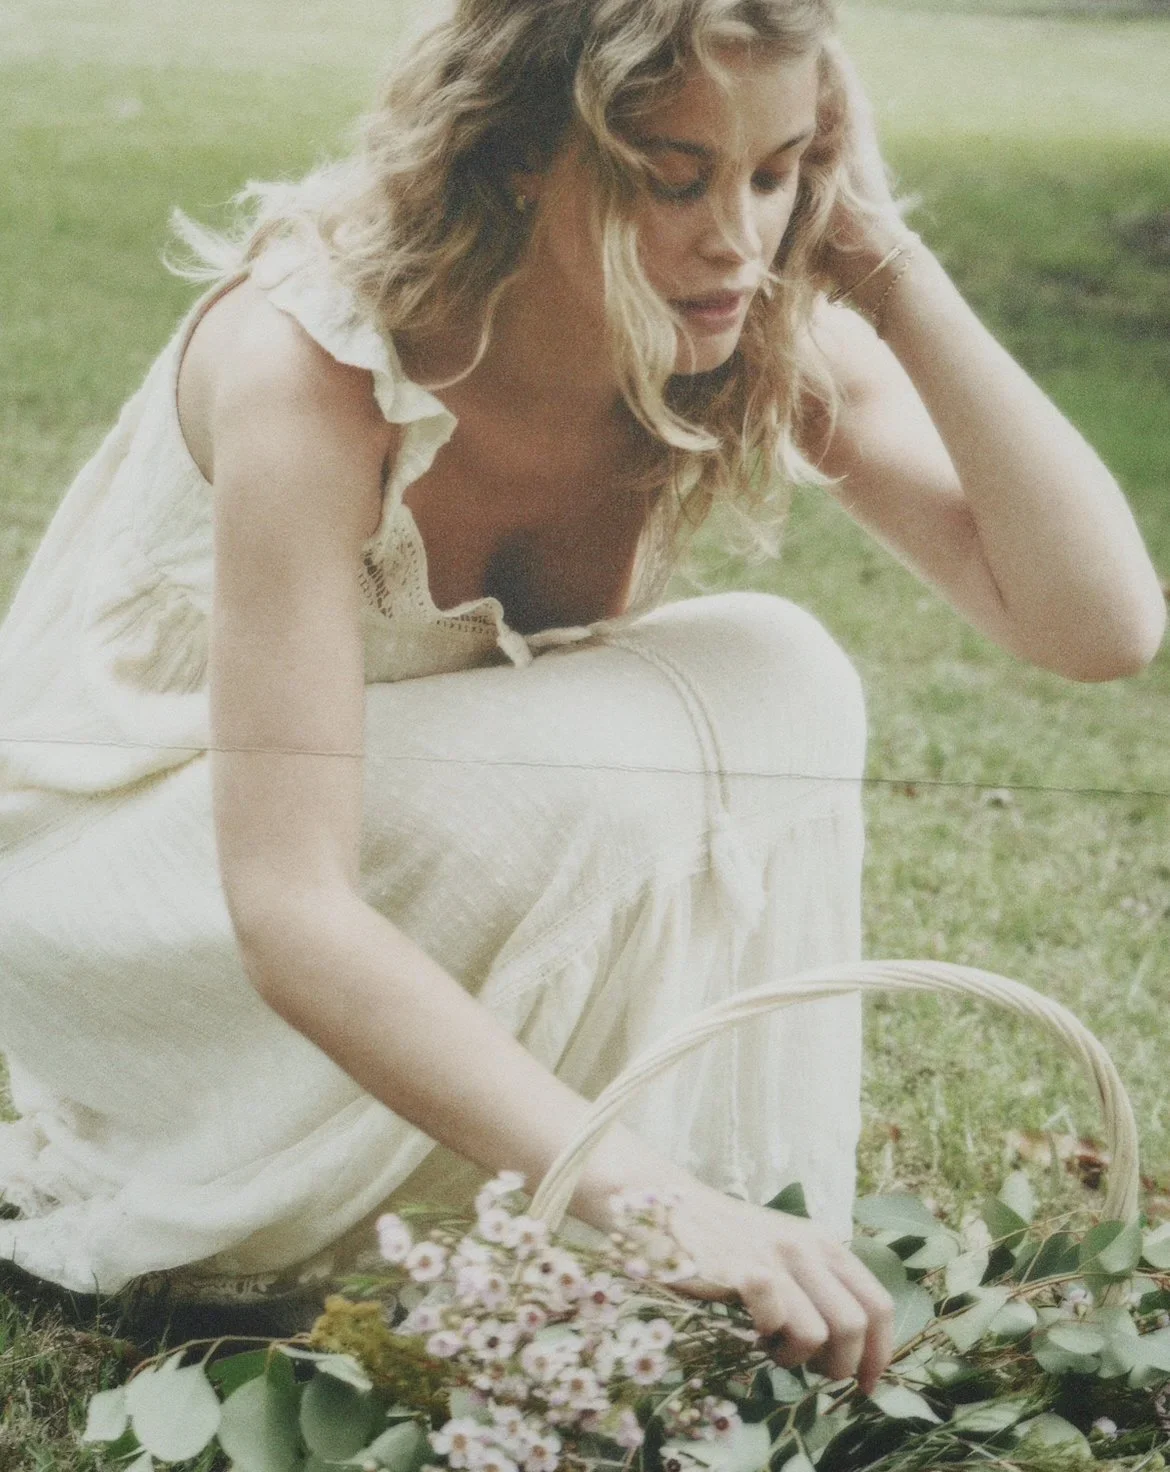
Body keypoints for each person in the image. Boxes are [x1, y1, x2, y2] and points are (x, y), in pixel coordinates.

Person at [0, 0, 1162, 1398]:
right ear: (516, 156)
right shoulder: (313, 364)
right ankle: (365, 1228)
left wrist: (883, 260)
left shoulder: (738, 310)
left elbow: (1099, 629)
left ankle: (693, 1231)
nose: (732, 234)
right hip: (135, 899)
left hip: (393, 858)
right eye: (672, 177)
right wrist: (651, 1205)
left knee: (774, 675)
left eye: (777, 167)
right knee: (609, 761)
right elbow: (289, 908)